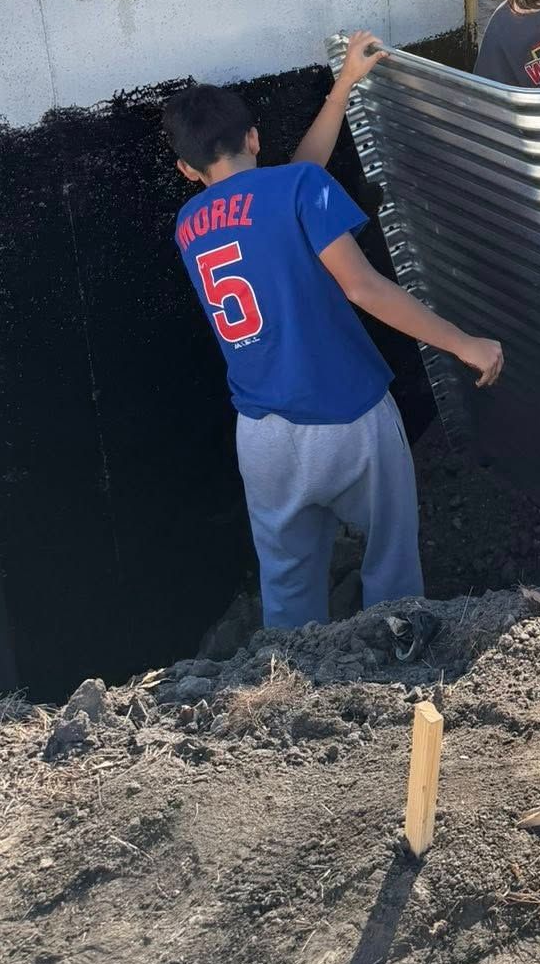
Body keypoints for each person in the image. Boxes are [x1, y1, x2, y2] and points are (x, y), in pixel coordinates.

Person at [162, 33, 503, 629]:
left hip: (261, 433)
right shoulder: (298, 190)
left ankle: (295, 696)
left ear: (187, 168)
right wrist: (463, 343)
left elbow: (287, 185)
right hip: (348, 414)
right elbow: (363, 287)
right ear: (253, 138)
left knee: (288, 584)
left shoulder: (189, 223)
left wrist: (343, 85)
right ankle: (398, 672)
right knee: (391, 566)